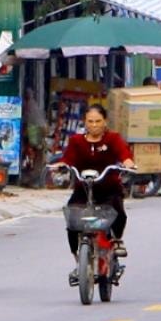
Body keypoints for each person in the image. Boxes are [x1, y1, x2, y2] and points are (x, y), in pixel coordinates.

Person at [56, 104, 134, 274]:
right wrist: (61, 165)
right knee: (72, 219)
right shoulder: (76, 141)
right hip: (83, 189)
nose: (94, 125)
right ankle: (78, 259)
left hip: (108, 188)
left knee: (118, 211)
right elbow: (67, 158)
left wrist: (128, 162)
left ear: (105, 122)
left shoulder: (113, 139)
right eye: (90, 121)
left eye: (98, 121)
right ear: (85, 122)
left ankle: (117, 240)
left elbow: (124, 154)